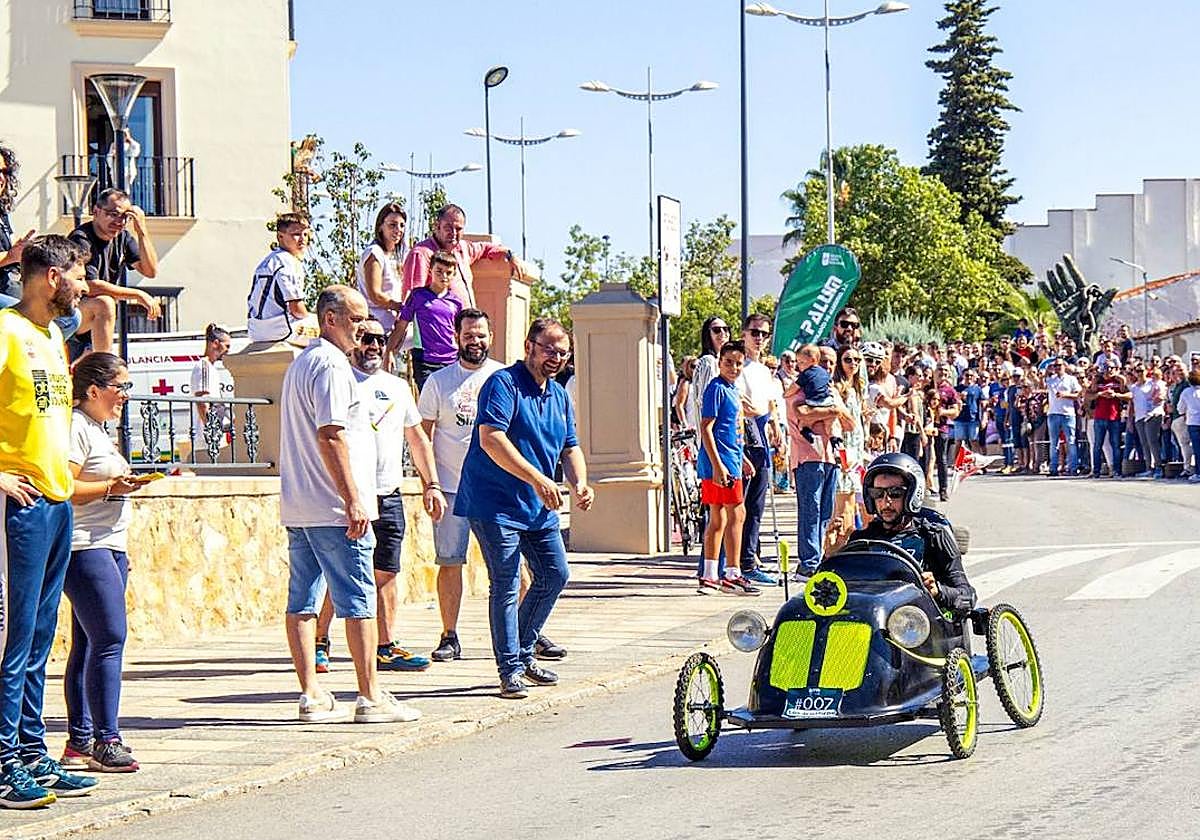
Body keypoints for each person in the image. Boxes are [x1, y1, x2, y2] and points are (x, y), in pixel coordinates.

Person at [279, 285, 420, 724]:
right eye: (356, 319)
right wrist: (354, 498)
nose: (363, 328)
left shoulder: (301, 363)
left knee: (302, 599)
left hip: (301, 505)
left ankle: (311, 694)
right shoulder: (332, 366)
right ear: (331, 319)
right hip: (333, 507)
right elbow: (331, 433)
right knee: (357, 598)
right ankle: (369, 696)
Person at [0, 234, 97, 808]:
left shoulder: (51, 337)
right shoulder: (4, 330)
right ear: (51, 277)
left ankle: (33, 753)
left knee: (39, 636)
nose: (84, 287)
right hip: (21, 504)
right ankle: (5, 761)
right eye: (78, 276)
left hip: (56, 501)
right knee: (15, 639)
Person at [454, 318, 594, 699]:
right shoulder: (503, 383)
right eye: (549, 349)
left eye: (563, 352)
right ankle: (510, 669)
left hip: (537, 505)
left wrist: (579, 481)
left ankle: (525, 649)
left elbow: (570, 446)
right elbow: (491, 438)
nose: (556, 358)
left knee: (555, 573)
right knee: (506, 580)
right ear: (529, 346)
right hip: (494, 502)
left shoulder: (560, 395)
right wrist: (538, 478)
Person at [312, 318, 445, 674]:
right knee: (341, 572)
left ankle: (386, 645)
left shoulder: (397, 387)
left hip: (388, 493)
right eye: (366, 338)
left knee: (386, 572)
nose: (373, 345)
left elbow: (417, 438)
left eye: (380, 339)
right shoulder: (339, 378)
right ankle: (319, 639)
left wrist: (430, 484)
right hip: (351, 495)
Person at [62, 353, 148, 773]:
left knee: (89, 643)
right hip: (85, 545)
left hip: (111, 542)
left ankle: (79, 740)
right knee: (111, 637)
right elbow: (66, 486)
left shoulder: (98, 429)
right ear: (94, 390)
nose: (126, 397)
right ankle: (106, 739)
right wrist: (111, 487)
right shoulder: (77, 427)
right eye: (121, 387)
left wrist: (121, 485)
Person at [418, 308, 505, 661]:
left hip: (497, 489)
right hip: (452, 488)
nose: (475, 341)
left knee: (509, 563)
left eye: (481, 334)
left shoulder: (504, 377)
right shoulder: (438, 382)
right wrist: (430, 483)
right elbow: (422, 435)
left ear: (490, 336)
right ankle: (449, 636)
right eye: (468, 334)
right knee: (450, 562)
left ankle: (527, 632)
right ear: (457, 337)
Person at [849, 453, 976, 615]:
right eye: (877, 493)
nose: (885, 502)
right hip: (871, 623)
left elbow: (968, 595)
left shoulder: (933, 535)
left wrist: (937, 590)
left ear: (912, 494)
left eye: (895, 493)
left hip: (919, 626)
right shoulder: (861, 540)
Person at [696, 340, 759, 596]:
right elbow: (706, 428)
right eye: (728, 362)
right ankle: (732, 572)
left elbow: (731, 430)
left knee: (720, 517)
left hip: (731, 460)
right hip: (720, 463)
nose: (733, 367)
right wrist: (717, 464)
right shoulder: (717, 388)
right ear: (719, 362)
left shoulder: (732, 389)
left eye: (738, 363)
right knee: (736, 514)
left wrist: (742, 458)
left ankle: (711, 574)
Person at [67, 188, 162, 355]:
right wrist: (138, 294)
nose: (119, 221)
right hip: (68, 315)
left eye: (125, 217)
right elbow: (89, 285)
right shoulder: (81, 238)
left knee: (106, 303)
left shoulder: (123, 238)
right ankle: (104, 365)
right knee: (105, 302)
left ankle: (99, 362)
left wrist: (142, 231)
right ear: (96, 211)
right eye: (113, 214)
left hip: (93, 324)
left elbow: (150, 271)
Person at [735, 313, 783, 586]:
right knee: (740, 504)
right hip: (745, 439)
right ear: (744, 333)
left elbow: (770, 402)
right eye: (755, 332)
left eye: (764, 334)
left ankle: (750, 558)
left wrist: (775, 425)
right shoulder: (739, 365)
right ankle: (740, 561)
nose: (759, 338)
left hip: (762, 439)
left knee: (756, 505)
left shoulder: (764, 370)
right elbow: (739, 401)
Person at [400, 204, 522, 308]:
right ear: (437, 226)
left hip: (463, 328)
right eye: (448, 227)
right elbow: (413, 298)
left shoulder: (463, 249)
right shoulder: (422, 254)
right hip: (438, 329)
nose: (453, 233)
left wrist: (510, 255)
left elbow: (486, 248)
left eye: (458, 229)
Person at [388, 250, 463, 390]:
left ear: (453, 274)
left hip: (451, 360)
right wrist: (389, 352)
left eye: (448, 272)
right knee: (428, 403)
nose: (443, 276)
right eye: (439, 271)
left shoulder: (456, 302)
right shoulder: (417, 296)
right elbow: (401, 326)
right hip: (425, 360)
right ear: (430, 271)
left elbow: (459, 332)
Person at [247, 213, 311, 343]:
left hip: (255, 330)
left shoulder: (267, 261)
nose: (302, 239)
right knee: (333, 329)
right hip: (280, 330)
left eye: (305, 234)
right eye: (296, 234)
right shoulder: (288, 261)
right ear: (280, 236)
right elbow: (297, 310)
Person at [355, 202, 407, 333]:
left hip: (394, 325)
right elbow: (375, 295)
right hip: (376, 325)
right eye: (392, 225)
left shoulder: (397, 257)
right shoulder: (374, 253)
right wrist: (402, 307)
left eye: (402, 226)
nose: (398, 230)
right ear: (380, 227)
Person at [190, 323, 233, 453]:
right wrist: (212, 432)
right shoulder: (204, 367)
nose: (228, 350)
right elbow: (202, 402)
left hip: (211, 437)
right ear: (215, 343)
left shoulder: (210, 367)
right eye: (226, 346)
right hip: (207, 439)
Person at [1044, 357, 1082, 476]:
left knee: (1070, 441)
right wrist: (1047, 369)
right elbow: (1041, 383)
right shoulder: (1051, 380)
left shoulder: (1071, 379)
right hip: (1053, 413)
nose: (1057, 368)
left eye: (1059, 365)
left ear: (1064, 366)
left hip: (1068, 413)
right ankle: (1053, 468)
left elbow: (1078, 394)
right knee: (1053, 442)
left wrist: (1066, 395)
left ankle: (1073, 468)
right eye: (1055, 366)